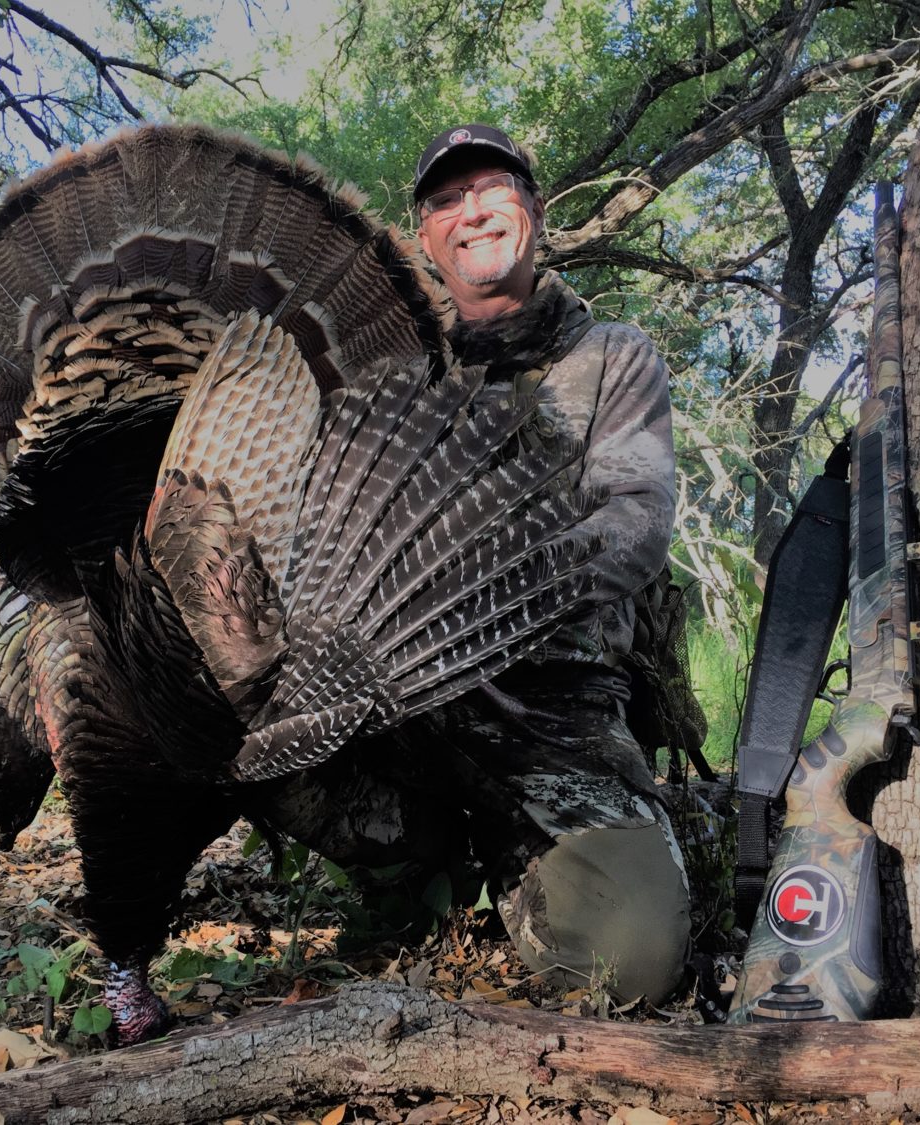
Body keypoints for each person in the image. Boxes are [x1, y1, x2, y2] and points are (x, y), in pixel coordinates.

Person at [254, 124, 692, 1007]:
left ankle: (515, 859)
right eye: (447, 201)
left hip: (550, 711)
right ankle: (412, 865)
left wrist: (505, 578)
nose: (472, 212)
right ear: (425, 239)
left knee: (632, 966)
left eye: (492, 189)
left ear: (532, 212)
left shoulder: (612, 356)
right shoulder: (392, 374)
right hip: (401, 707)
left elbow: (639, 520)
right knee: (227, 722)